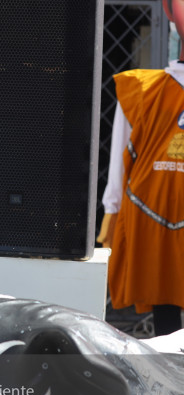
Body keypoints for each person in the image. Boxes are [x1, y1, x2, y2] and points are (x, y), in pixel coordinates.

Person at [97, 0, 184, 336]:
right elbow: (121, 158)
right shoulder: (138, 89)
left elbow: (118, 165)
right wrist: (112, 212)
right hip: (151, 218)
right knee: (164, 311)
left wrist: (113, 211)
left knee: (165, 317)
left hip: (151, 217)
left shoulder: (139, 91)